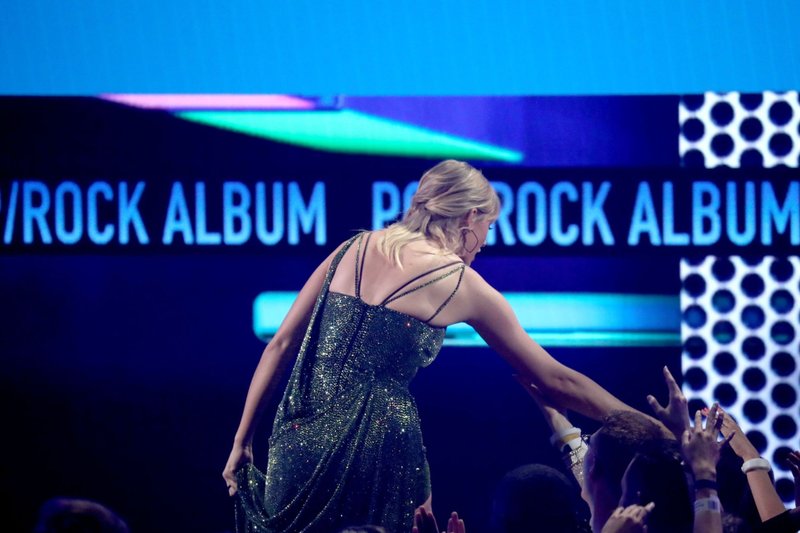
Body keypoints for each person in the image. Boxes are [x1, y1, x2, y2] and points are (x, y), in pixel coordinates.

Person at [223, 160, 639, 532]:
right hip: (383, 448)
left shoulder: (350, 248)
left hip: (298, 438)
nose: (486, 241)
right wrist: (648, 427)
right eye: (488, 227)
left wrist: (242, 440)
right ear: (470, 217)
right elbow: (555, 379)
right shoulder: (460, 281)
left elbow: (279, 345)